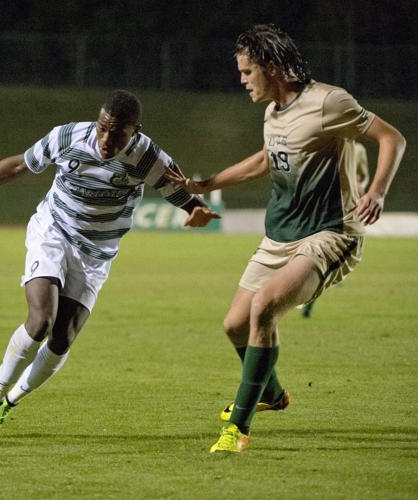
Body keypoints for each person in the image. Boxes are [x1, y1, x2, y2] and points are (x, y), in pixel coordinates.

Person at [166, 24, 405, 453]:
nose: (241, 80)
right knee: (234, 324)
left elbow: (392, 137)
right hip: (279, 237)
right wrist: (206, 184)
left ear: (271, 67)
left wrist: (378, 190)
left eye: (246, 72)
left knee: (264, 307)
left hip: (330, 233)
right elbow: (264, 161)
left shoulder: (329, 102)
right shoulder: (272, 112)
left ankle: (236, 429)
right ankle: (273, 396)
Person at [0, 89, 220, 440]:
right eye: (102, 128)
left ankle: (9, 402)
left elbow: (174, 189)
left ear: (135, 131)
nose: (106, 139)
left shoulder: (148, 157)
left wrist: (195, 210)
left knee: (62, 339)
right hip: (53, 231)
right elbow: (19, 165)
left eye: (118, 134)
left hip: (96, 253)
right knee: (41, 321)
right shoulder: (68, 136)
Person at [301, 141, 370, 318]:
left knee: (330, 256)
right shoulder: (326, 147)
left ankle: (327, 280)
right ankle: (311, 297)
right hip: (326, 208)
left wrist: (362, 186)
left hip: (349, 208)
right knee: (319, 257)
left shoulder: (359, 150)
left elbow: (364, 176)